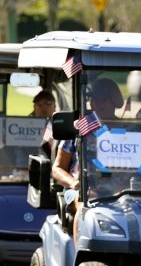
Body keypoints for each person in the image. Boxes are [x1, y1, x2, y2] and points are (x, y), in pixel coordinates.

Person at [51, 78, 124, 245]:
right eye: (94, 98)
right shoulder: (81, 129)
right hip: (82, 188)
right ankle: (81, 253)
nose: (98, 103)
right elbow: (57, 168)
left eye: (104, 98)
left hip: (122, 188)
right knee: (85, 205)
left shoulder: (126, 129)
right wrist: (77, 184)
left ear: (114, 101)